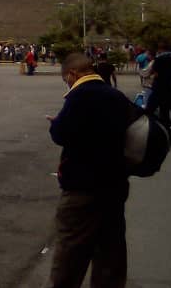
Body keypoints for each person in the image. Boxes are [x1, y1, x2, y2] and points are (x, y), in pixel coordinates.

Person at [46, 53, 134, 288]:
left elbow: (61, 134)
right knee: (110, 254)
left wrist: (56, 124)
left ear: (73, 74)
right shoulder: (117, 96)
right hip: (114, 186)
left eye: (66, 78)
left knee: (70, 256)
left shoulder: (80, 95)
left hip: (83, 189)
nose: (67, 83)